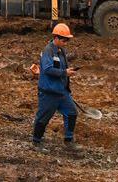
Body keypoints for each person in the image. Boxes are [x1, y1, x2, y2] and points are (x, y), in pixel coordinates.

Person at [31, 22, 78, 150]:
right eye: (64, 40)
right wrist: (64, 73)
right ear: (56, 38)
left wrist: (68, 71)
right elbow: (47, 69)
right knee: (43, 117)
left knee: (72, 112)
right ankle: (36, 141)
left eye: (67, 41)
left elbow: (61, 66)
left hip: (61, 91)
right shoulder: (48, 51)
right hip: (49, 92)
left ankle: (68, 140)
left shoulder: (61, 50)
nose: (65, 43)